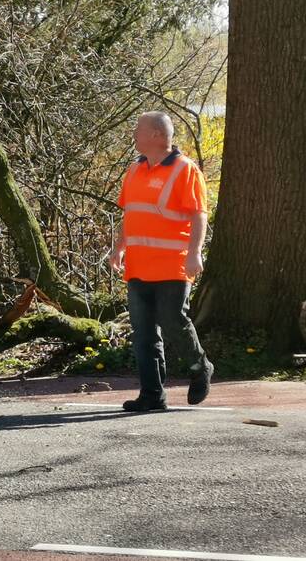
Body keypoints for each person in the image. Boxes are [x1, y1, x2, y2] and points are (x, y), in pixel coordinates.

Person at [108, 111, 214, 411]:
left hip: (172, 264)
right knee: (143, 332)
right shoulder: (134, 170)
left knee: (172, 320)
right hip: (139, 266)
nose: (133, 133)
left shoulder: (185, 169)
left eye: (137, 129)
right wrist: (119, 247)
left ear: (156, 135)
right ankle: (152, 395)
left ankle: (199, 367)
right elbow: (130, 214)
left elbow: (198, 214)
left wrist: (195, 252)